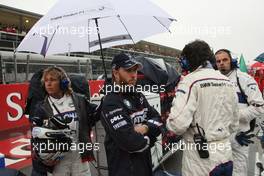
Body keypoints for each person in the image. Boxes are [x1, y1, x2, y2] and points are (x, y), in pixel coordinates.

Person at [166, 40, 239, 176]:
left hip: (200, 159)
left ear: (189, 60)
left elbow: (177, 125)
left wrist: (167, 123)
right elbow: (234, 123)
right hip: (225, 152)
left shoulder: (190, 81)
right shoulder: (227, 81)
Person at [30, 66, 100, 176]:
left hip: (79, 156)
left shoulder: (79, 100)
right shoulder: (41, 107)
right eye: (46, 80)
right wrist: (42, 159)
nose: (48, 84)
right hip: (58, 161)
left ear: (63, 82)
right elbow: (35, 137)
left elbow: (95, 116)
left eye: (52, 80)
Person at [100, 53, 162, 176]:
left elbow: (159, 121)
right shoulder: (110, 102)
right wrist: (150, 135)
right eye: (128, 70)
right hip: (124, 170)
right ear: (116, 73)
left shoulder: (139, 96)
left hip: (145, 167)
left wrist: (145, 128)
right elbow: (130, 142)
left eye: (135, 70)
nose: (134, 75)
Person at [215, 49, 264, 176]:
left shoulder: (244, 79)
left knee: (240, 171)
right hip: (218, 139)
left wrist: (234, 115)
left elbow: (259, 107)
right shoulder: (212, 80)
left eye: (225, 60)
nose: (221, 63)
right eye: (218, 61)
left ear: (231, 60)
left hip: (240, 137)